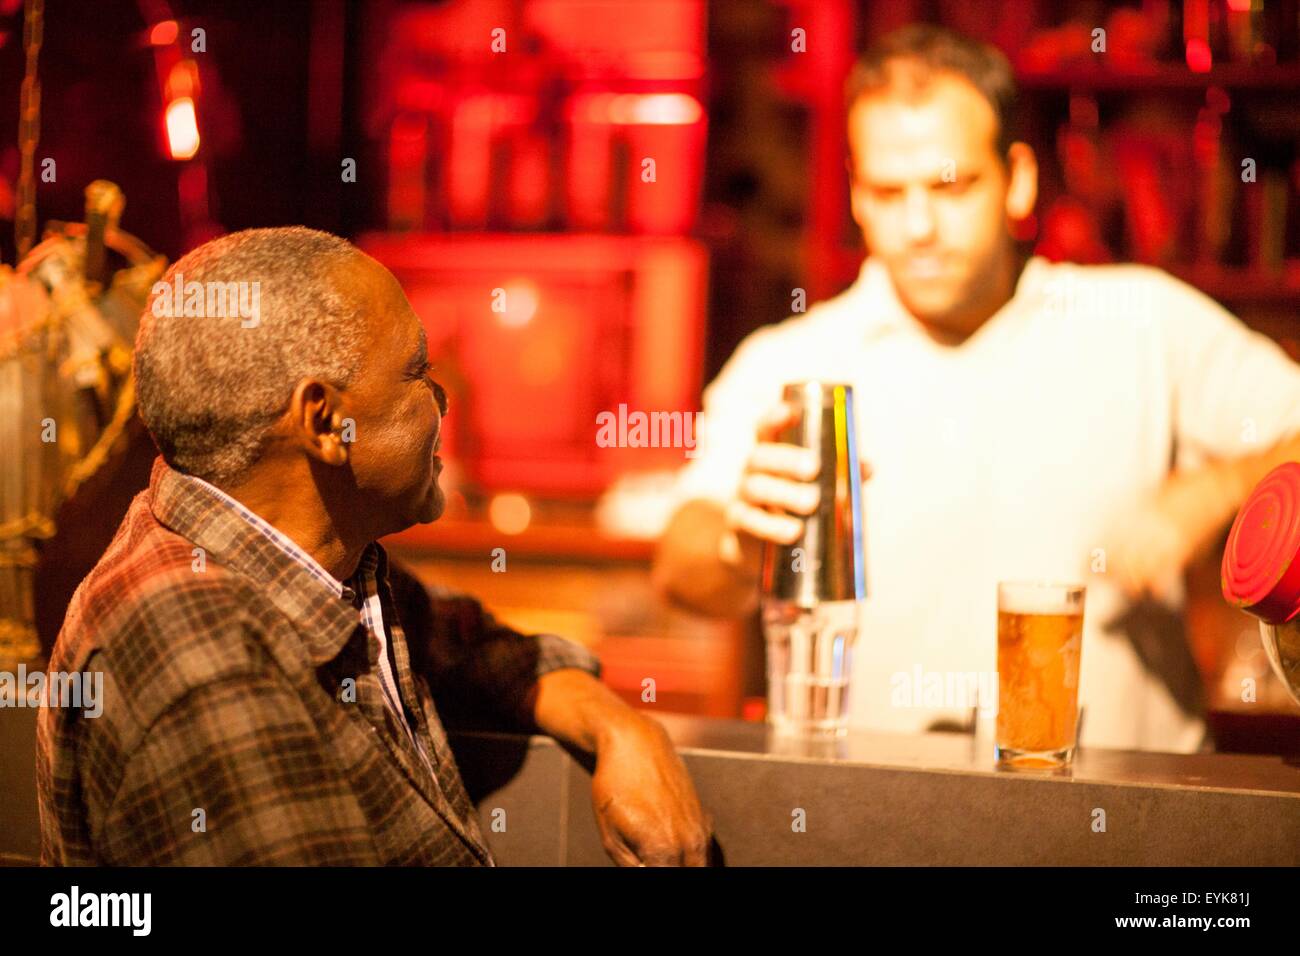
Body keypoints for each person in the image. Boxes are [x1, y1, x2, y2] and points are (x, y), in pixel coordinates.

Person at [653, 24, 1300, 753]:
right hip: (875, 819)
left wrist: (1216, 490)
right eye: (888, 192)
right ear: (857, 196)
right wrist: (742, 547)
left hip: (1128, 821)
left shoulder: (1142, 321)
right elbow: (680, 567)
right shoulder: (791, 361)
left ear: (1017, 180)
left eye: (951, 185)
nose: (919, 225)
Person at [38, 226, 710, 865]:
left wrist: (622, 729)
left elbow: (474, 641)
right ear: (326, 422)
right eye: (418, 372)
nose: (444, 399)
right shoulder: (201, 653)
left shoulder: (307, 567)